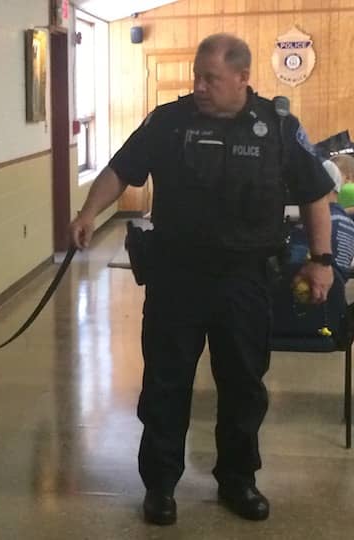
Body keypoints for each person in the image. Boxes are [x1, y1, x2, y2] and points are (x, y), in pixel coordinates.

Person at [69, 33, 334, 526]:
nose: (200, 87)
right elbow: (119, 170)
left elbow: (317, 194)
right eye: (196, 76)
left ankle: (238, 480)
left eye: (210, 78)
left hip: (245, 282)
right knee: (166, 385)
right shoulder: (169, 122)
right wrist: (88, 211)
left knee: (243, 387)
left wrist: (322, 260)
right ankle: (161, 487)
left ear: (242, 78)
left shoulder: (276, 128)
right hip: (177, 278)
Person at [288, 160, 354, 281]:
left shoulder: (318, 220)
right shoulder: (347, 221)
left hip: (309, 286)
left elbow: (290, 246)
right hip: (335, 287)